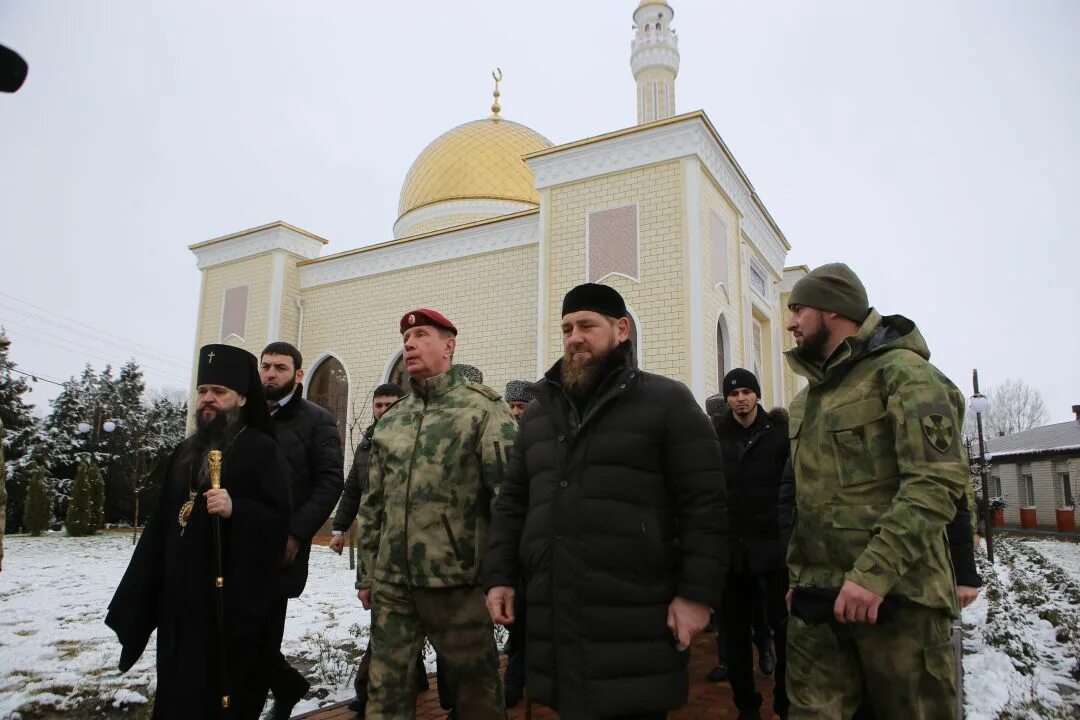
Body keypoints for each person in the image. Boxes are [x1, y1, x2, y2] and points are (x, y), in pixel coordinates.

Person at [483, 283, 727, 720]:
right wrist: (500, 576)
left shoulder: (667, 402)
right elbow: (513, 503)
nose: (574, 336)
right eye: (566, 327)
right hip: (558, 617)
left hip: (636, 617)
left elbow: (704, 505)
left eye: (586, 325)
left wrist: (696, 596)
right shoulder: (540, 413)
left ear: (621, 329)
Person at [782, 263, 969, 719]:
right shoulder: (806, 400)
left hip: (901, 604)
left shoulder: (906, 375)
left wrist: (872, 575)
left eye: (798, 309)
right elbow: (806, 502)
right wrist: (799, 578)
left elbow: (934, 483)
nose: (790, 322)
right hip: (818, 606)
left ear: (834, 311)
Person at [106, 344, 291, 719]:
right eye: (203, 390)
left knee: (220, 692)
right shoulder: (186, 450)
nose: (208, 399)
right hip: (180, 599)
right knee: (178, 689)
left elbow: (277, 521)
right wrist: (143, 593)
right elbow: (162, 524)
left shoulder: (262, 450)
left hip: (228, 604)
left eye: (218, 392)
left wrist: (237, 509)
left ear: (240, 397)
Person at [356, 309, 518, 720]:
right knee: (385, 694)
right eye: (406, 336)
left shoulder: (483, 410)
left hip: (458, 583)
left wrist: (507, 576)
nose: (409, 343)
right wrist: (367, 573)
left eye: (421, 334)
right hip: (394, 584)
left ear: (449, 345)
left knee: (476, 694)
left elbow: (508, 499)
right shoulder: (392, 420)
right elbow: (373, 500)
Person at [328, 382, 427, 715]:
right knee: (386, 619)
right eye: (378, 405)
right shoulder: (367, 445)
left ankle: (374, 685)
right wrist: (339, 528)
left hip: (414, 544)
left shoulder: (418, 438)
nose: (383, 410)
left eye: (389, 404)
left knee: (397, 620)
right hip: (377, 543)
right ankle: (373, 687)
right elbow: (353, 489)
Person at [260, 341, 345, 719]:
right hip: (237, 539)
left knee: (261, 632)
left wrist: (296, 533)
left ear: (297, 375)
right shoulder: (247, 416)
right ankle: (286, 685)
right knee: (234, 630)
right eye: (265, 366)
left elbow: (329, 482)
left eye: (280, 367)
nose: (270, 373)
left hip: (281, 546)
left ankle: (283, 688)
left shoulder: (317, 420)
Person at [712, 368, 789, 719]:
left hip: (774, 552)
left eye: (746, 391)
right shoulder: (715, 436)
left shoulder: (779, 435)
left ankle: (786, 700)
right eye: (733, 393)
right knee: (736, 636)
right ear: (727, 399)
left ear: (756, 395)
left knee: (785, 631)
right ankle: (747, 705)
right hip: (733, 554)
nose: (740, 398)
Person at [500, 379, 534, 707]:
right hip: (511, 543)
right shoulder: (498, 437)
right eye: (511, 406)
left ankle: (515, 679)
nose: (515, 412)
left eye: (521, 406)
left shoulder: (540, 440)